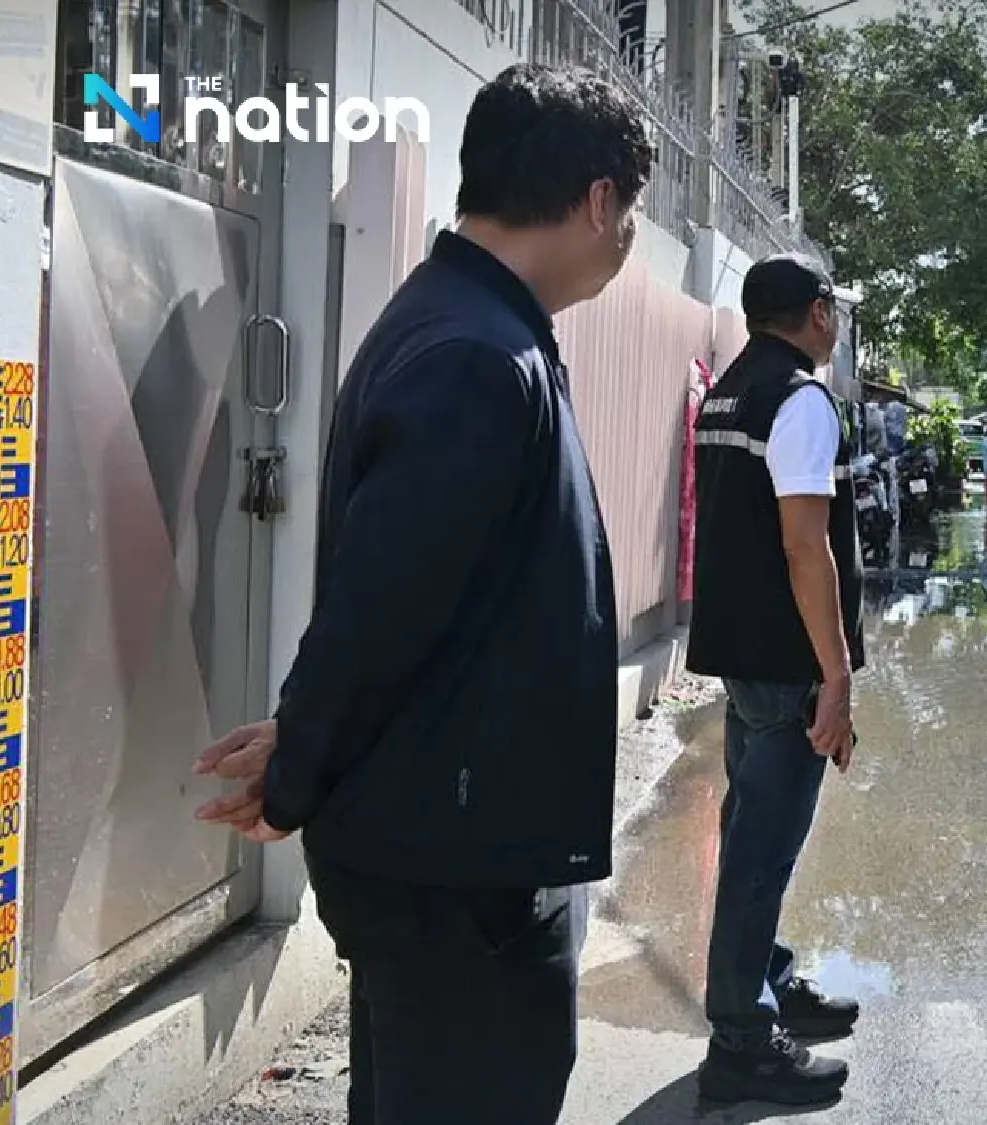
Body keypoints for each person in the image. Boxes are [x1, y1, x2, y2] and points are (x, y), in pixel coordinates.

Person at [189, 64, 654, 1125]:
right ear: (595, 202)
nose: (624, 237)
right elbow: (380, 612)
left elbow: (404, 592)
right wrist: (300, 764)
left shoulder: (466, 323)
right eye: (626, 211)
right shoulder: (480, 357)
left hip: (448, 848)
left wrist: (309, 741)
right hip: (460, 873)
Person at [686, 253, 863, 1107]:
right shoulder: (799, 399)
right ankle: (744, 1036)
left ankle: (767, 976)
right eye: (835, 311)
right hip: (786, 664)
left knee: (754, 832)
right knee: (761, 850)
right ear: (817, 313)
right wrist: (836, 676)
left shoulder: (728, 390)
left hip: (743, 654)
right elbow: (805, 545)